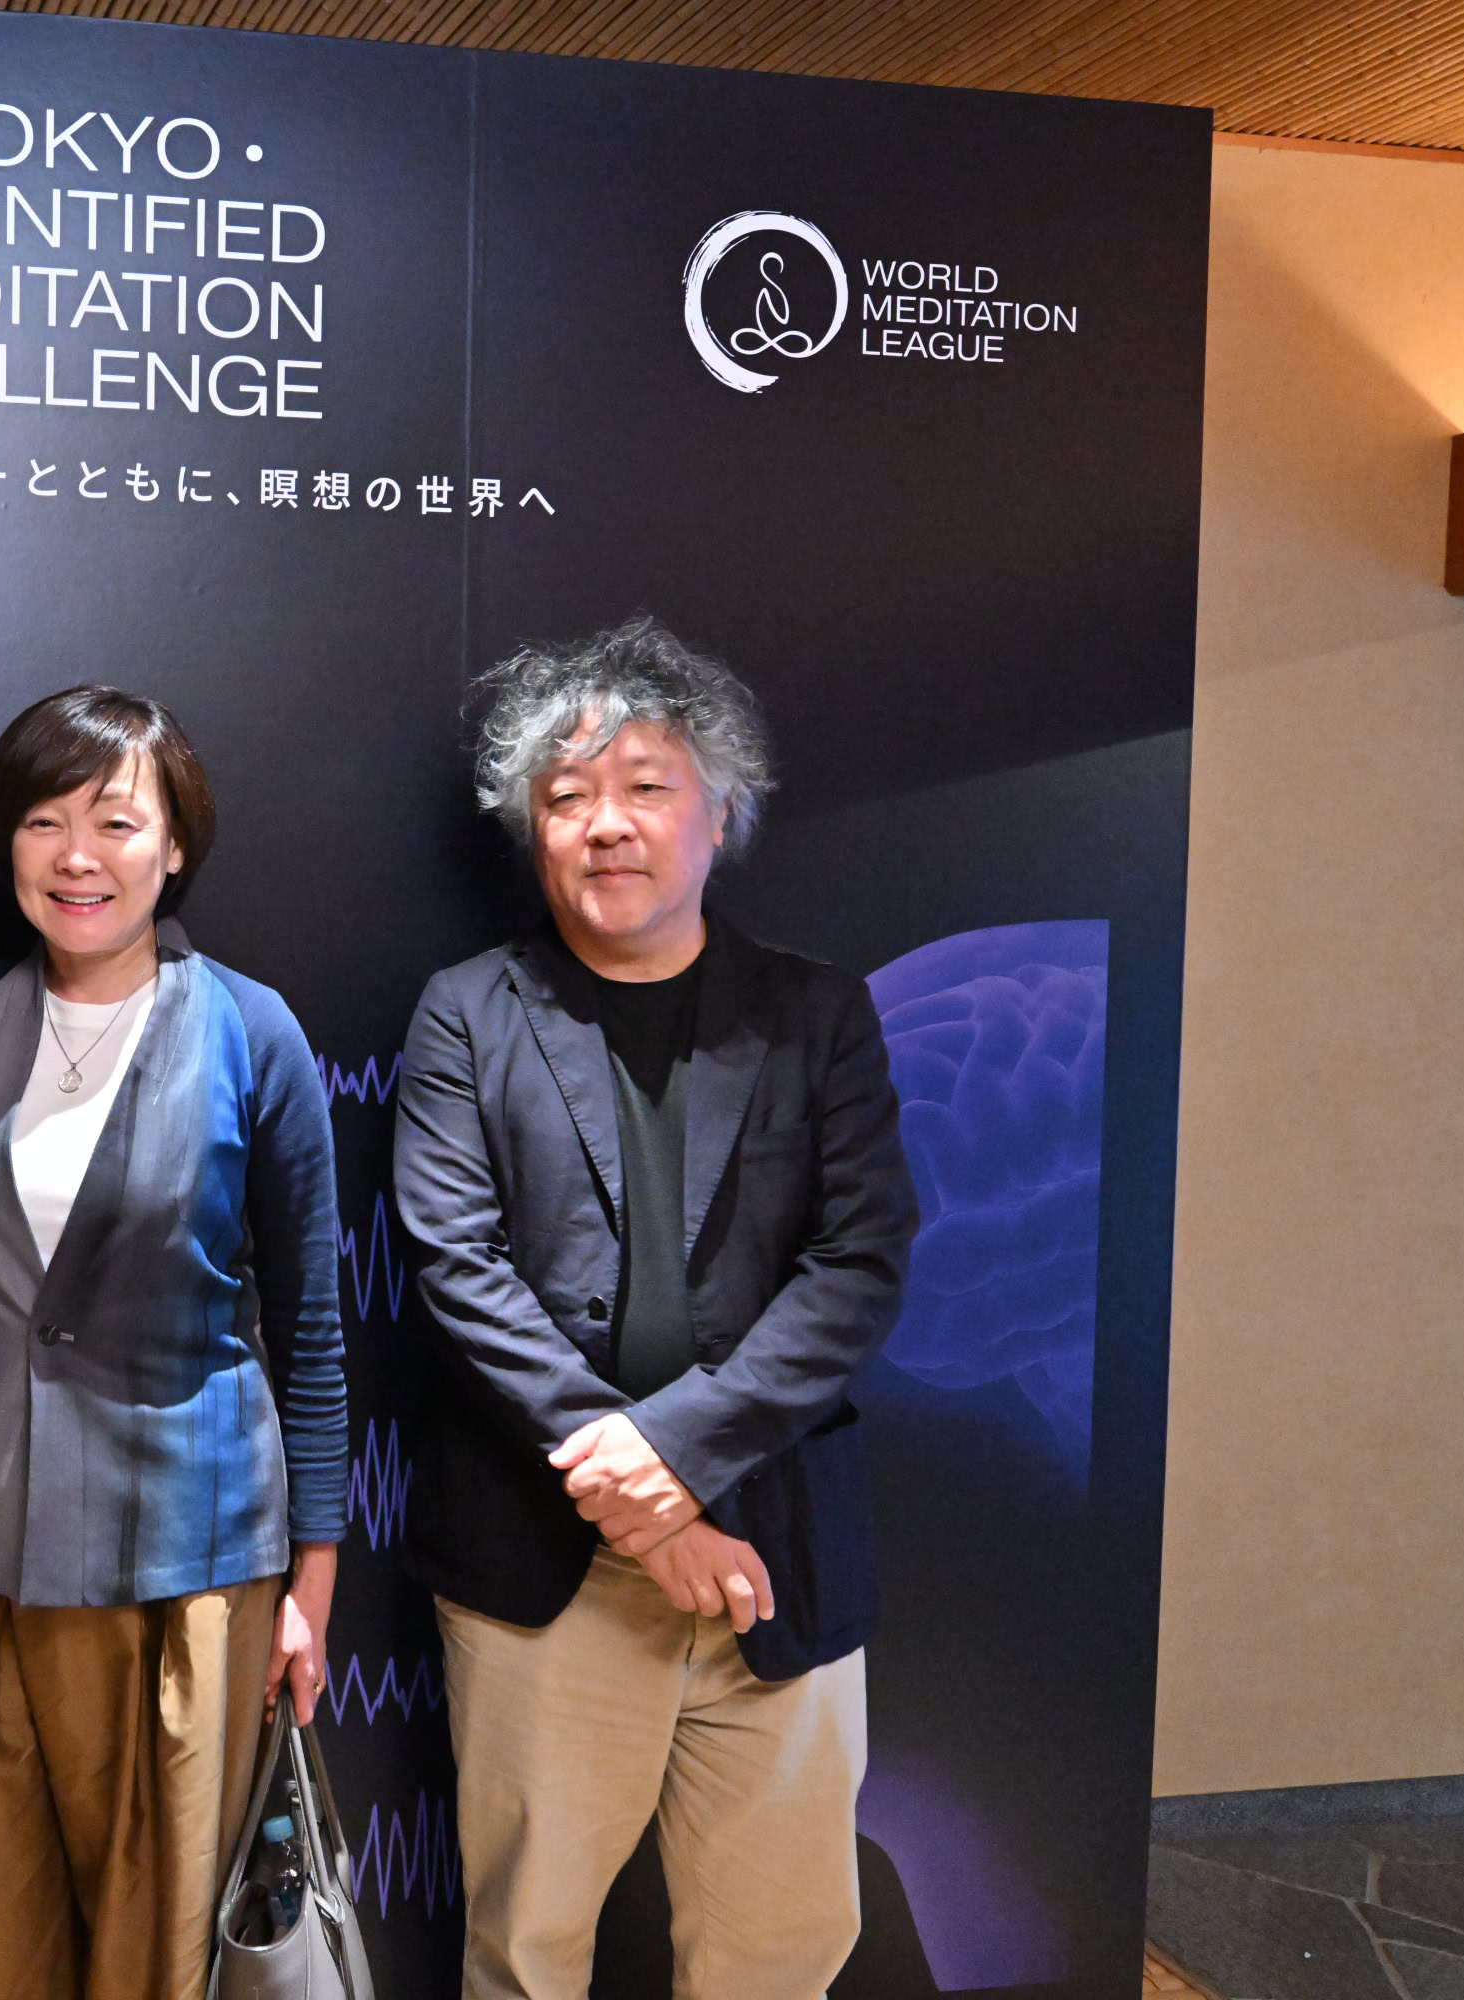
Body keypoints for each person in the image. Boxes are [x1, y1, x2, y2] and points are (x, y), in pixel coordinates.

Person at [391, 618, 918, 2000]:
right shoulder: (469, 1011)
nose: (606, 824)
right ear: (534, 832)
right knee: (525, 1949)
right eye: (567, 797)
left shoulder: (816, 1013)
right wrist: (647, 1508)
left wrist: (675, 1460)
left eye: (645, 786)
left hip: (775, 1553)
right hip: (540, 1570)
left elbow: (860, 1263)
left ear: (720, 811)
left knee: (776, 1952)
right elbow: (456, 1266)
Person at [0, 686, 350, 2000]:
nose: (77, 856)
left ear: (175, 844)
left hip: (196, 1567)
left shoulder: (252, 1029)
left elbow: (312, 1326)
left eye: (116, 821)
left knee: (171, 1950)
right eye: (44, 821)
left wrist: (310, 1586)